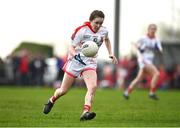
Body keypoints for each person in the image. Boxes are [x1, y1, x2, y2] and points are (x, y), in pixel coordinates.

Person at [43, 10, 118, 121]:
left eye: (100, 23)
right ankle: (51, 100)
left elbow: (106, 40)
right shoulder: (81, 30)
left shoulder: (104, 31)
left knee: (92, 87)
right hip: (75, 61)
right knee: (63, 91)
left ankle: (85, 112)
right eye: (96, 22)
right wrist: (75, 56)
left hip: (90, 62)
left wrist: (111, 53)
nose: (98, 25)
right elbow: (71, 47)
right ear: (90, 20)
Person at [123, 24, 163, 100]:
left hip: (149, 61)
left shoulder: (156, 40)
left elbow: (160, 50)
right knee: (156, 74)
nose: (153, 30)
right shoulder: (143, 38)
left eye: (154, 29)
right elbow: (134, 42)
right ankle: (152, 93)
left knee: (138, 79)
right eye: (151, 29)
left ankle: (127, 92)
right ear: (148, 30)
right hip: (143, 60)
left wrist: (157, 49)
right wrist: (139, 47)